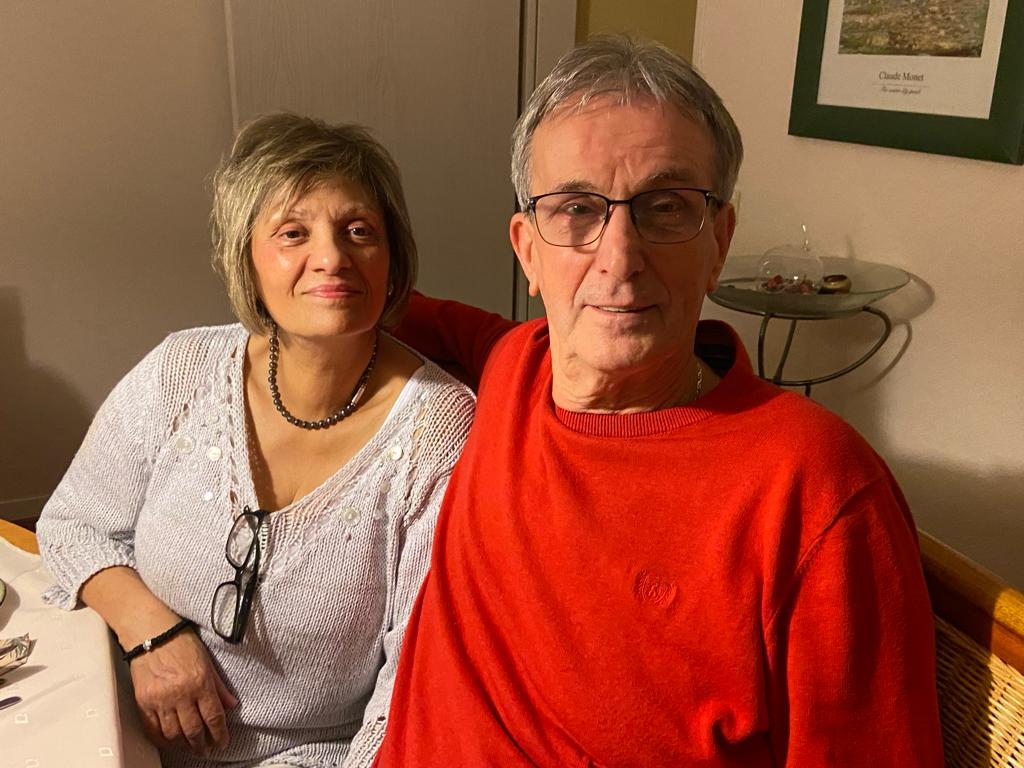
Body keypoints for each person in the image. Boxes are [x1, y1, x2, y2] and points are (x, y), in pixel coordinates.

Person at [373, 36, 944, 766]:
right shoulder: (516, 361)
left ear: (719, 243)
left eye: (666, 207)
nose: (619, 257)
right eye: (576, 209)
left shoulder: (816, 488)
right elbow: (400, 310)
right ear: (527, 250)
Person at [36, 113, 475, 768]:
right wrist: (152, 633)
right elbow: (72, 522)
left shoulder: (440, 432)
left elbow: (412, 683)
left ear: (393, 259)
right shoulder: (180, 370)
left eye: (359, 231)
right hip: (119, 728)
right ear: (247, 259)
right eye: (293, 233)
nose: (332, 257)